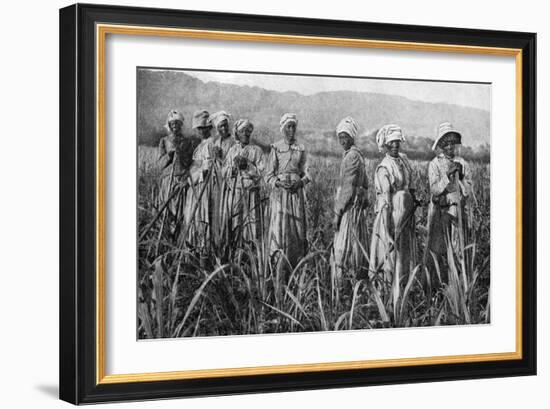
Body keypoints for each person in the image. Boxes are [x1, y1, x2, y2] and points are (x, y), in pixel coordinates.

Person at [369, 124, 419, 287]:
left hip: (405, 217)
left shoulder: (404, 160)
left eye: (397, 141)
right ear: (385, 145)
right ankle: (387, 291)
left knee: (405, 254)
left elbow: (409, 186)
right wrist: (389, 230)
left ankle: (405, 288)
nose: (395, 145)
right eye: (391, 142)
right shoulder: (384, 168)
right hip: (390, 217)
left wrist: (413, 198)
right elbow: (386, 201)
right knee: (390, 256)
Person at [424, 122, 473, 284]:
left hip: (458, 212)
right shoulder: (435, 164)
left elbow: (468, 191)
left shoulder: (463, 163)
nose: (449, 147)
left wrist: (461, 177)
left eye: (452, 143)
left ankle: (459, 285)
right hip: (441, 213)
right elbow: (435, 190)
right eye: (446, 143)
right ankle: (440, 285)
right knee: (440, 249)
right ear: (441, 146)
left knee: (459, 248)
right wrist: (448, 176)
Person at [265, 113, 311, 273]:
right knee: (280, 227)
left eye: (293, 127)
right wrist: (278, 182)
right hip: (280, 195)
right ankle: (278, 266)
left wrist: (300, 182)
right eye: (288, 127)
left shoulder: (301, 148)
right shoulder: (276, 148)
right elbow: (268, 175)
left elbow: (308, 173)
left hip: (296, 194)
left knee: (296, 228)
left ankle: (295, 266)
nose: (291, 130)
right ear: (283, 129)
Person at [332, 117, 369, 278]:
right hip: (355, 208)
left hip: (349, 210)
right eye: (340, 137)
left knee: (344, 247)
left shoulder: (352, 157)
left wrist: (338, 213)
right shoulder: (356, 155)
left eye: (345, 137)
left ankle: (344, 286)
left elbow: (348, 187)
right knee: (355, 245)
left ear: (352, 137)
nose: (342, 140)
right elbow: (365, 183)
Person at [221, 119, 265, 246]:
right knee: (236, 221)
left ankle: (249, 252)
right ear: (237, 134)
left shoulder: (256, 150)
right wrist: (233, 168)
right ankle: (235, 250)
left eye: (248, 131)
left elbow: (262, 172)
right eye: (242, 131)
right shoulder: (232, 151)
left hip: (251, 192)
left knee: (251, 224)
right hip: (235, 192)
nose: (245, 134)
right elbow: (224, 171)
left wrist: (248, 165)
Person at [182, 110, 219, 255]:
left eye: (204, 129)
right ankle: (194, 249)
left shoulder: (212, 144)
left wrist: (195, 176)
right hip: (195, 185)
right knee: (193, 215)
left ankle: (204, 251)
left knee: (203, 216)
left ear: (209, 128)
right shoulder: (200, 145)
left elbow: (208, 167)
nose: (201, 132)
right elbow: (195, 165)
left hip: (204, 186)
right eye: (199, 129)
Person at [156, 110, 198, 236]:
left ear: (181, 125)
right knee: (167, 212)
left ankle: (179, 238)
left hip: (182, 181)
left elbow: (191, 163)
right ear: (169, 125)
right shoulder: (164, 141)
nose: (175, 126)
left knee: (181, 212)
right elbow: (159, 165)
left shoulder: (187, 142)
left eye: (178, 123)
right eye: (172, 123)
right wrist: (169, 155)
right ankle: (166, 237)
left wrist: (182, 155)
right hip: (168, 180)